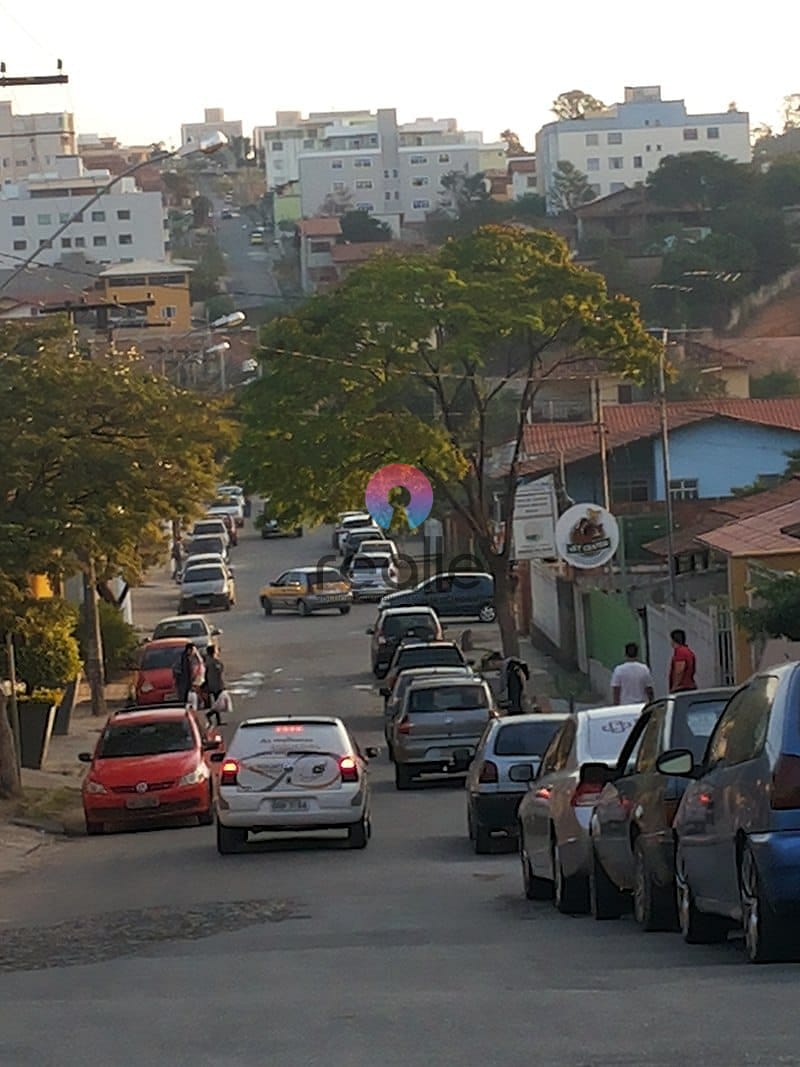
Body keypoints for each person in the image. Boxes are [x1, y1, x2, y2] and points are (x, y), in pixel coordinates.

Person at [173, 642, 205, 706]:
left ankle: (199, 702)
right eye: (193, 650)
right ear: (189, 650)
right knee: (188, 694)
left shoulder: (196, 657)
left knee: (196, 690)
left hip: (195, 678)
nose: (195, 651)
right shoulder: (182, 658)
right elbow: (176, 668)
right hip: (185, 680)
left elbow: (201, 663)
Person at [203, 644, 227, 726]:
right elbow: (219, 671)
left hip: (212, 684)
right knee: (219, 702)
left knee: (217, 702)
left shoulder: (208, 661)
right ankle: (210, 714)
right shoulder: (214, 661)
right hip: (217, 685)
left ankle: (218, 720)